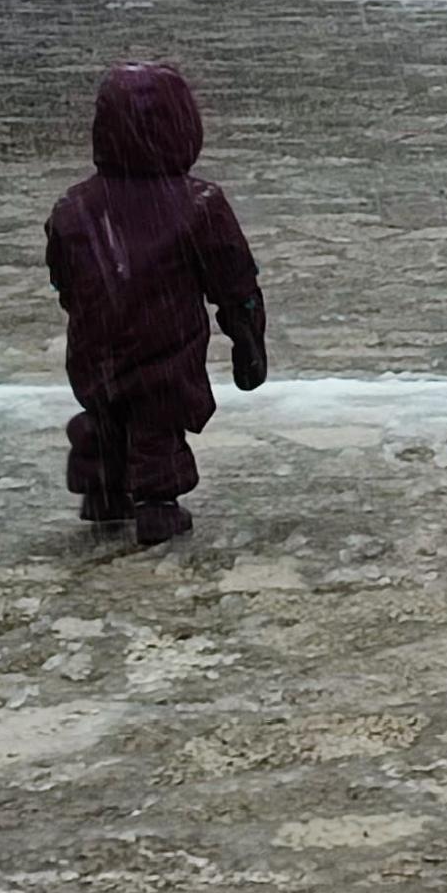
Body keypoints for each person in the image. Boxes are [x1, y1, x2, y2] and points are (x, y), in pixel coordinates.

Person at [47, 63, 268, 546]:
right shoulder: (199, 203)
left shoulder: (75, 207)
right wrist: (248, 338)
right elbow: (234, 281)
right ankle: (156, 502)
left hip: (96, 346)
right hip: (164, 342)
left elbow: (63, 277)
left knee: (106, 414)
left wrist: (90, 311)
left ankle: (103, 490)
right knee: (156, 424)